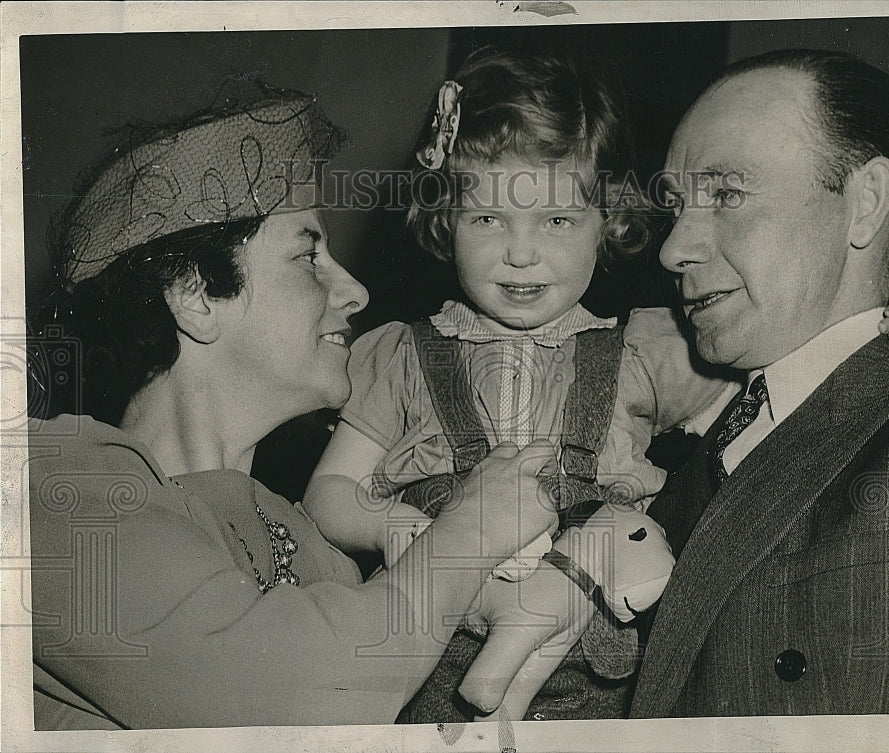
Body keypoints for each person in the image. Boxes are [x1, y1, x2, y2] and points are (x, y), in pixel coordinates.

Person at [301, 51, 889, 722]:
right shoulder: (402, 354)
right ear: (448, 223)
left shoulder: (649, 354)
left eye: (728, 193)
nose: (673, 248)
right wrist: (401, 528)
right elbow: (332, 495)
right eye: (487, 218)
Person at [26, 86, 560, 729]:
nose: (356, 291)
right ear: (195, 296)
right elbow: (304, 693)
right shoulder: (52, 490)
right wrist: (469, 531)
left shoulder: (311, 539)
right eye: (309, 256)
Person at [628, 49, 889, 717]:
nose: (673, 248)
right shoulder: (674, 429)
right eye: (676, 206)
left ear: (865, 202)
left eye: (727, 193)